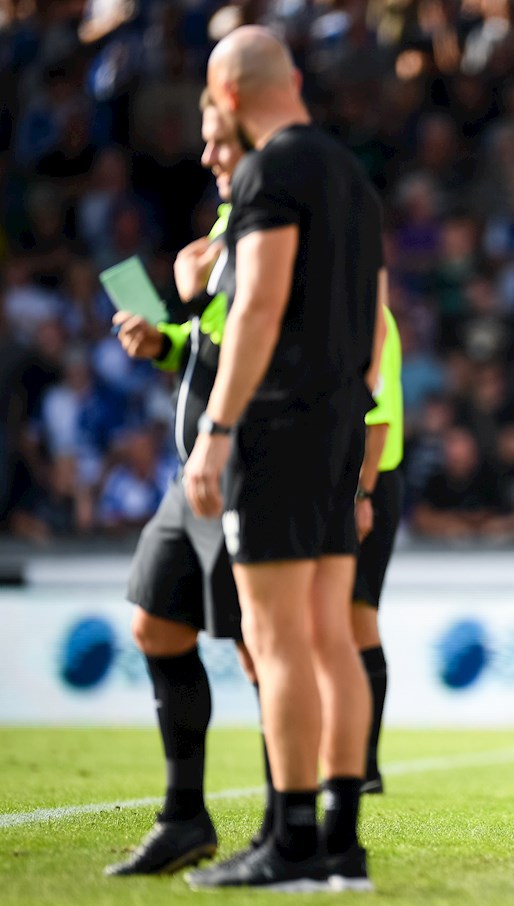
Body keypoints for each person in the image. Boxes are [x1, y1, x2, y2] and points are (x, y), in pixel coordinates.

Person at [182, 26, 383, 891]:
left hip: (277, 428)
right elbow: (375, 320)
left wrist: (216, 429)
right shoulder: (350, 174)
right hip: (340, 422)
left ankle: (291, 839)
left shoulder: (270, 171)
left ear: (227, 94)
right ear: (291, 79)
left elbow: (257, 307)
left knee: (276, 636)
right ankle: (340, 840)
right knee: (332, 636)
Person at [105, 92, 250, 878]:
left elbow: (247, 329)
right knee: (156, 625)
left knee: (265, 652)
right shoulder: (229, 230)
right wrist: (163, 342)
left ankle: (293, 824)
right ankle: (185, 817)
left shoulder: (265, 227)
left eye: (218, 143)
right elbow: (210, 343)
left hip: (248, 465)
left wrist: (204, 269)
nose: (206, 158)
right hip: (193, 470)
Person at [353, 302, 403, 795]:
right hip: (346, 484)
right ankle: (354, 759)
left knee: (357, 617)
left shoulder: (370, 315)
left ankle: (364, 762)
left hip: (368, 482)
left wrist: (362, 493)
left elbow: (379, 415)